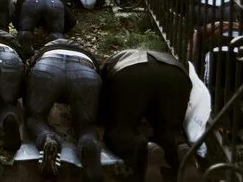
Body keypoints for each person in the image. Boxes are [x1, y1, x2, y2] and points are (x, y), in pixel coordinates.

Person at [100, 49, 200, 181]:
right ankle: (181, 147)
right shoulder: (164, 56)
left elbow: (105, 106)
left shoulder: (111, 63)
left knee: (120, 133)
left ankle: (145, 151)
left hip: (131, 73)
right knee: (170, 130)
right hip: (175, 73)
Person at [25, 38, 103, 180]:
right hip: (85, 70)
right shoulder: (85, 50)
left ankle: (47, 138)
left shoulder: (46, 49)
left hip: (47, 66)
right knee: (86, 127)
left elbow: (29, 69)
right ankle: (89, 147)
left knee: (34, 117)